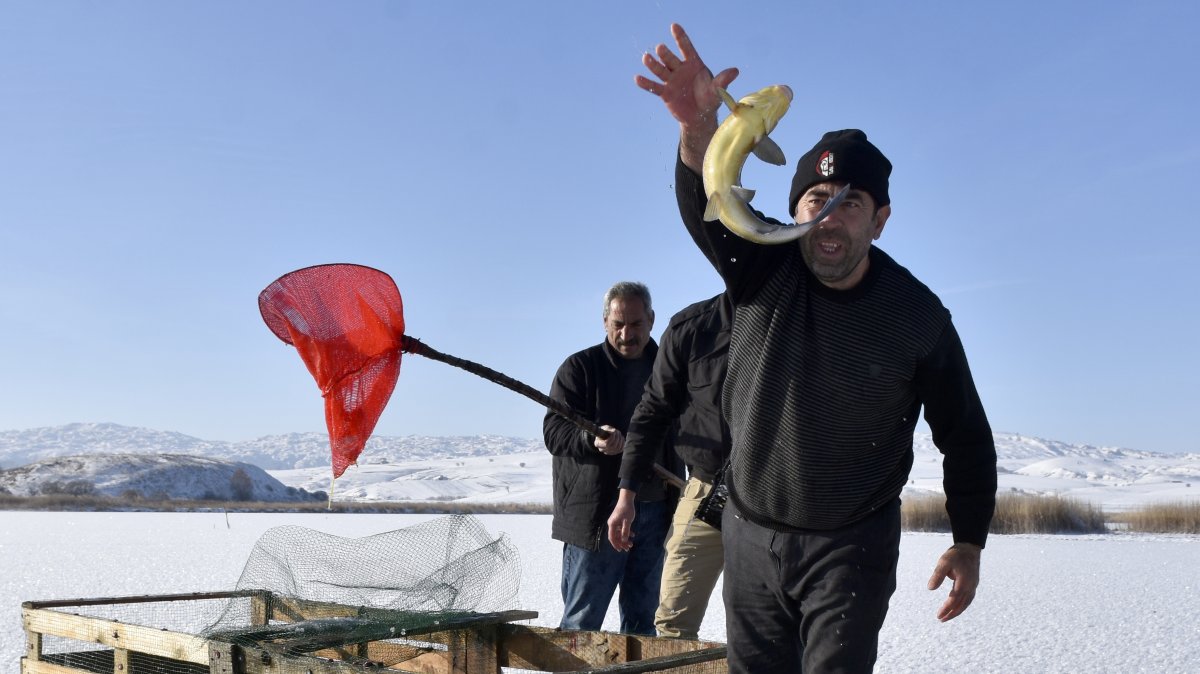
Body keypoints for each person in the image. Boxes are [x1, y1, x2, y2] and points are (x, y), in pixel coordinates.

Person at [635, 24, 999, 672]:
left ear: (880, 218)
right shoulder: (759, 267)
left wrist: (968, 538)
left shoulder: (917, 317)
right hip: (749, 531)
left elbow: (965, 436)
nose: (830, 216)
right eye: (816, 198)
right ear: (794, 206)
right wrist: (697, 134)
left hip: (850, 544)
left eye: (851, 202)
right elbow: (706, 206)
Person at [543, 281, 676, 635]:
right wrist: (592, 438)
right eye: (618, 324)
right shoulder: (580, 369)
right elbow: (554, 433)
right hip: (597, 517)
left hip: (655, 513)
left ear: (651, 319)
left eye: (635, 324)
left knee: (643, 626)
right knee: (581, 626)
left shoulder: (670, 373)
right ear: (605, 322)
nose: (626, 333)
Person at [607, 292, 732, 640]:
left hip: (777, 498)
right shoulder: (693, 327)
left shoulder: (801, 318)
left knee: (771, 624)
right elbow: (651, 414)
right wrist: (626, 496)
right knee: (673, 623)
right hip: (708, 490)